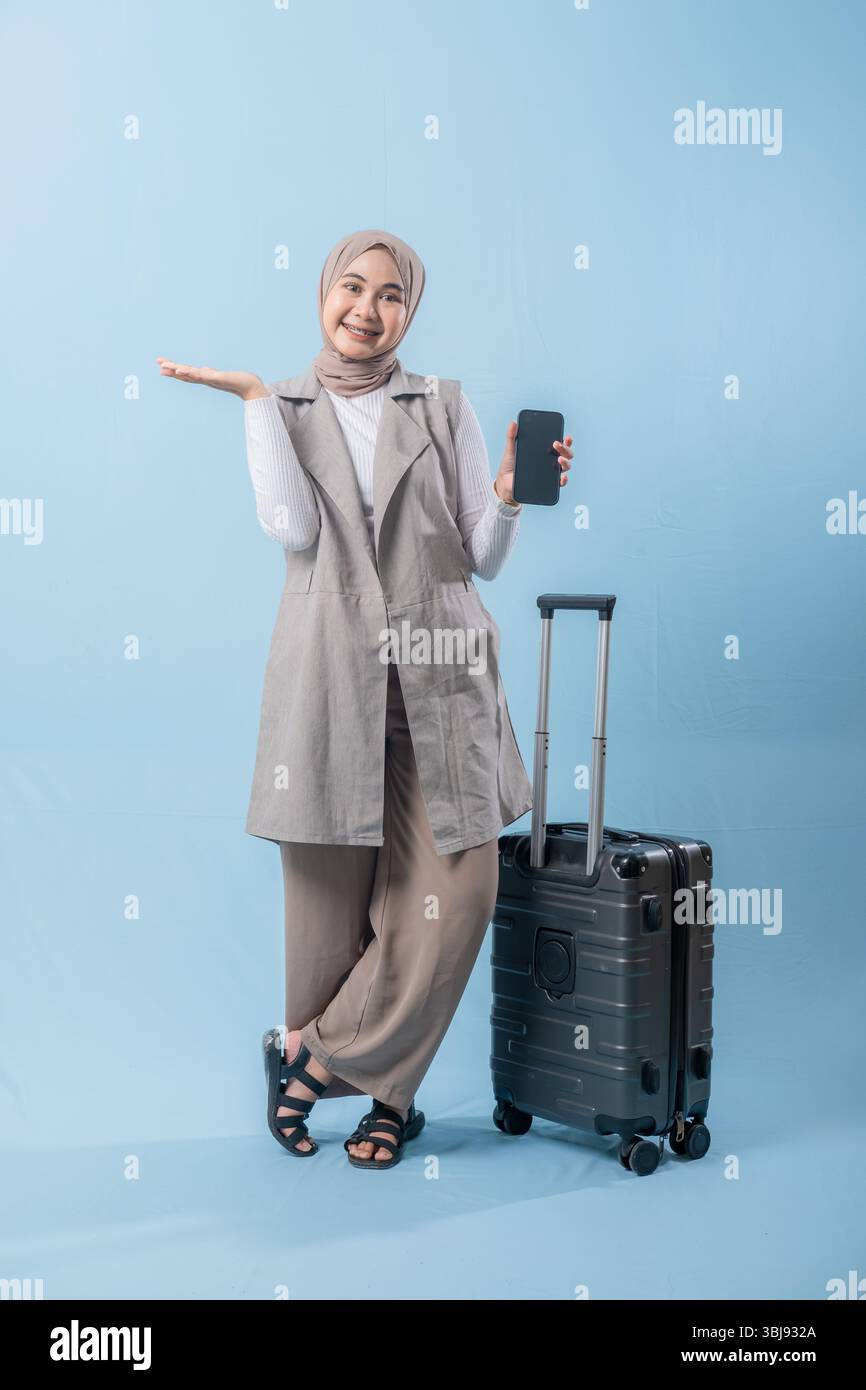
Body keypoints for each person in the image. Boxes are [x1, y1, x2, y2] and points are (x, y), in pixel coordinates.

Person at [157, 228, 572, 1168]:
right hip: (329, 687)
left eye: (392, 296)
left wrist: (506, 492)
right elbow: (292, 528)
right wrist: (259, 402)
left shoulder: (444, 404)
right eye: (353, 287)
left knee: (454, 895)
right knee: (330, 917)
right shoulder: (290, 407)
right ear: (324, 292)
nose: (367, 309)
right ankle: (390, 1099)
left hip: (444, 679)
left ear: (410, 313)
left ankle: (307, 1057)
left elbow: (482, 558)